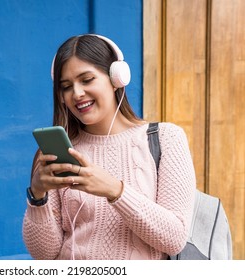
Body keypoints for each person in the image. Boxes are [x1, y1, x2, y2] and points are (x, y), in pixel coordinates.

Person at [22, 34, 196, 260]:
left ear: (116, 78)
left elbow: (174, 239)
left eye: (86, 80)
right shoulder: (57, 152)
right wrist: (37, 197)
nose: (76, 93)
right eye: (66, 87)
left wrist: (115, 190)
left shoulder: (165, 138)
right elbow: (44, 255)